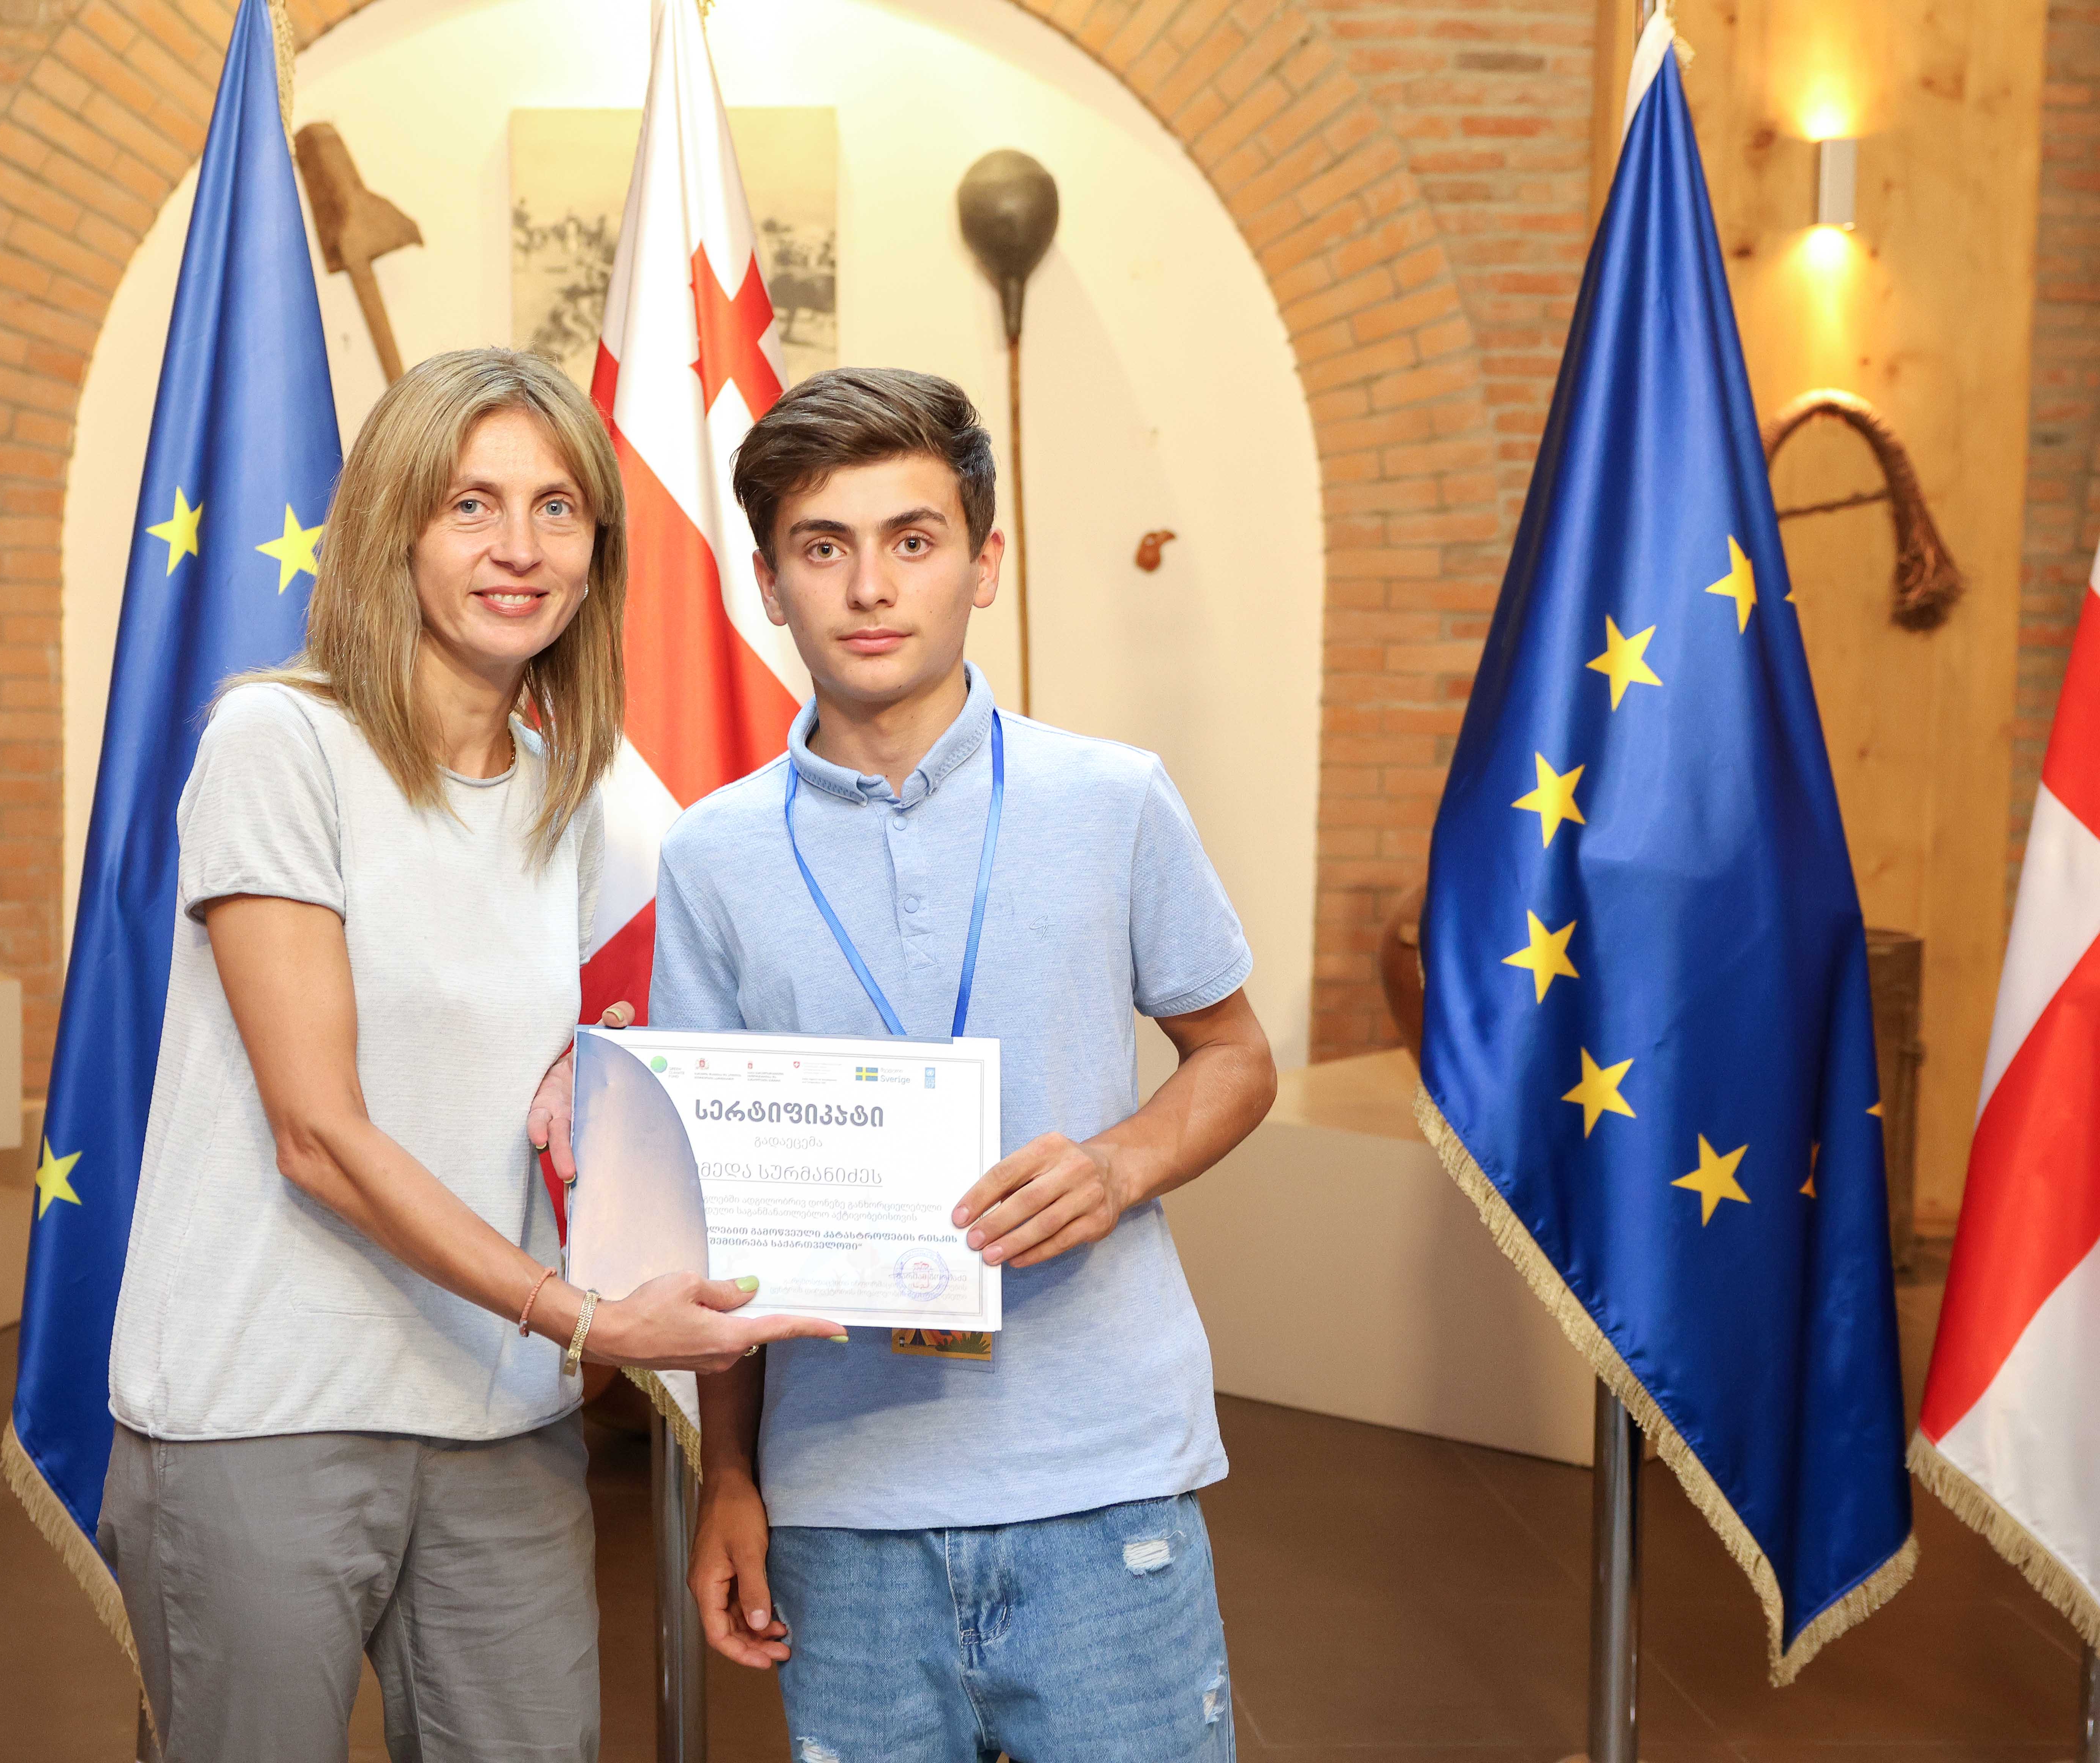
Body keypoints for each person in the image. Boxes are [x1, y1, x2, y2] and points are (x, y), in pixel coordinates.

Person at [94, 347, 841, 1763]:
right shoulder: (281, 742)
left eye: (558, 508)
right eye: (471, 505)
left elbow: (574, 1053)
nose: (520, 547)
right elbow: (319, 1135)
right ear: (397, 528)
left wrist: (588, 1073)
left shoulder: (576, 799)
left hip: (499, 1417)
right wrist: (584, 1320)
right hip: (268, 1409)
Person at [656, 367, 1279, 1760]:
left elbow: (1235, 1057)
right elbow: (713, 1212)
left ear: (985, 564)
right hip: (844, 1500)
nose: (871, 586)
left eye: (914, 539)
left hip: (1102, 1481)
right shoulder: (710, 857)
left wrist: (1117, 1166)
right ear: (768, 585)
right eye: (824, 547)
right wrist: (730, 1476)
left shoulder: (1113, 799)